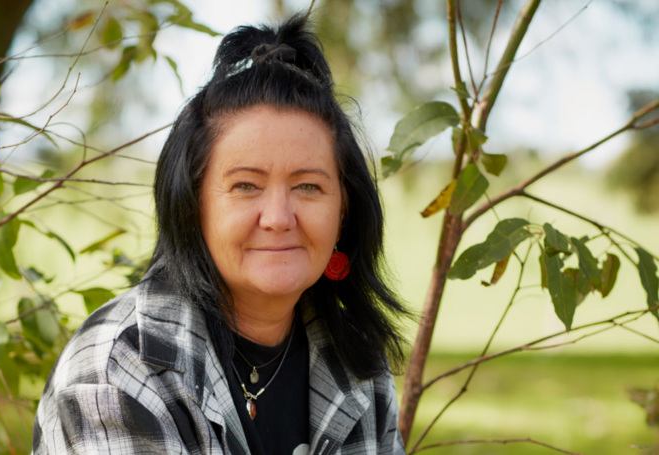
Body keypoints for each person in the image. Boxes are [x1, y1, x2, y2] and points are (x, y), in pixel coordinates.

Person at [32, 14, 408, 455]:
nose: (278, 217)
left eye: (309, 186)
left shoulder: (356, 359)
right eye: (246, 185)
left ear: (344, 210)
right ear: (192, 206)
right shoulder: (118, 365)